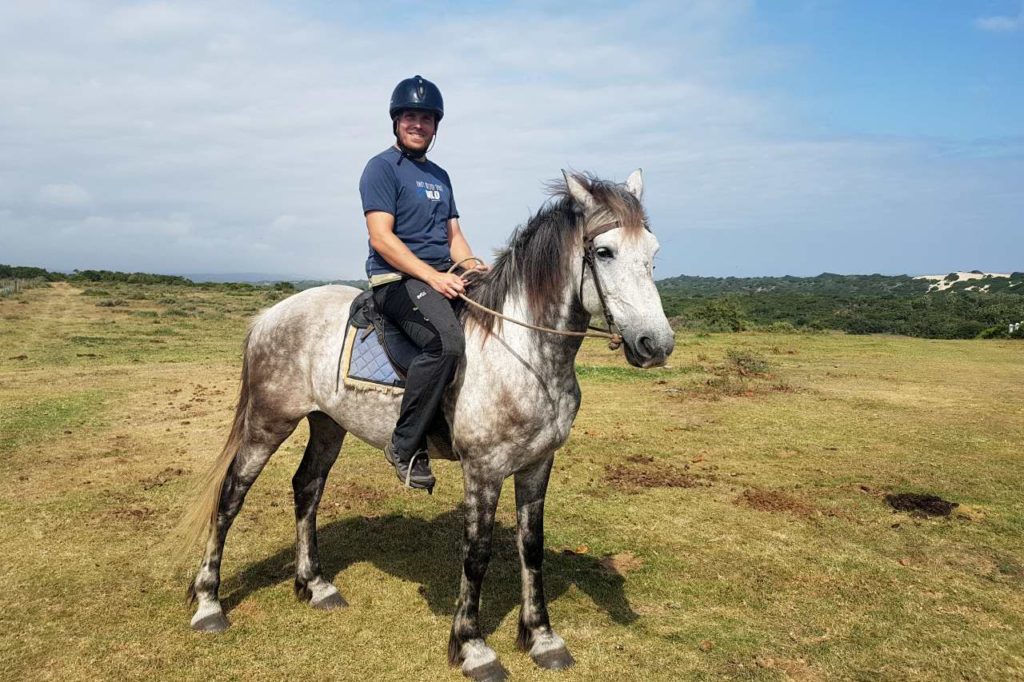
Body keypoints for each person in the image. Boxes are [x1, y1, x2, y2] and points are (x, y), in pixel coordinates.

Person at [359, 75, 486, 492]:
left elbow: (453, 236)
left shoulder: (441, 176)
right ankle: (404, 444)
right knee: (445, 343)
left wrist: (470, 264)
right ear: (396, 121)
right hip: (397, 280)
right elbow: (381, 237)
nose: (418, 124)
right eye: (410, 116)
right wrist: (432, 275)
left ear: (436, 126)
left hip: (439, 278)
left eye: (426, 118)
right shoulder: (381, 168)